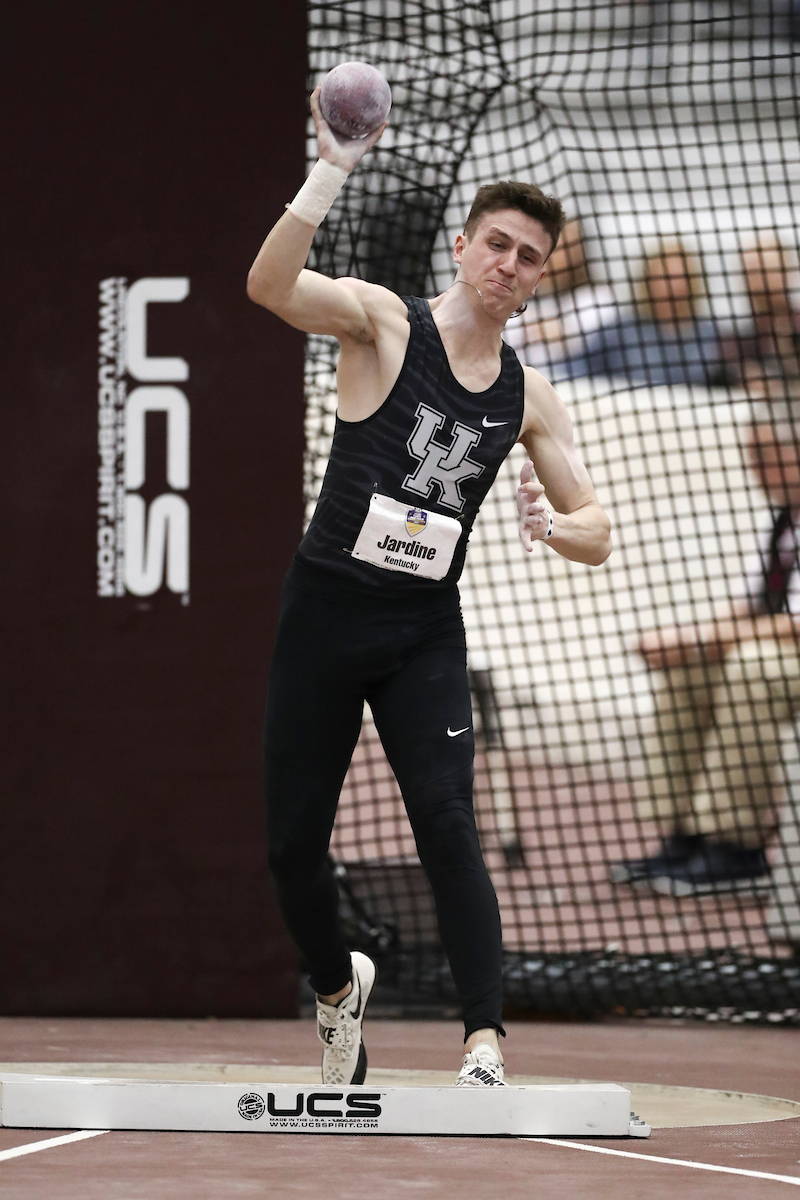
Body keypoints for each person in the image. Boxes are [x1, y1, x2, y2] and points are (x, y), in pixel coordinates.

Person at [246, 86, 611, 1088]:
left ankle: (482, 1041)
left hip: (420, 632)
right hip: (323, 616)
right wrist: (331, 168)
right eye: (496, 243)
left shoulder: (528, 393)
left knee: (448, 820)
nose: (508, 264)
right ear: (460, 246)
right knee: (290, 850)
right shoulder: (380, 323)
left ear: (539, 280)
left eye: (528, 257)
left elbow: (598, 530)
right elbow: (268, 287)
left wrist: (556, 525)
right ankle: (335, 987)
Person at [611, 402, 800, 895]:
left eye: (766, 454)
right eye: (751, 455)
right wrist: (690, 642)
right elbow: (751, 606)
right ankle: (684, 833)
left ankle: (738, 845)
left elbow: (794, 623)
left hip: (784, 651)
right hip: (776, 644)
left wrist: (700, 639)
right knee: (688, 670)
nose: (754, 468)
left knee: (751, 668)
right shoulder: (784, 517)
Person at [559, 240, 728, 387]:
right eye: (664, 277)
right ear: (648, 280)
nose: (673, 287)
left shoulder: (710, 335)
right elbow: (574, 369)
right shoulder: (621, 332)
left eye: (680, 277)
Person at [502, 218, 617, 372]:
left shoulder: (597, 299)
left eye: (561, 249)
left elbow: (577, 342)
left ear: (580, 252)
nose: (551, 257)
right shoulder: (514, 298)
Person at [724, 235, 800, 390]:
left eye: (766, 270)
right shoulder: (739, 337)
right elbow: (726, 367)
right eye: (751, 272)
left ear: (787, 272)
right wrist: (744, 375)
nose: (759, 281)